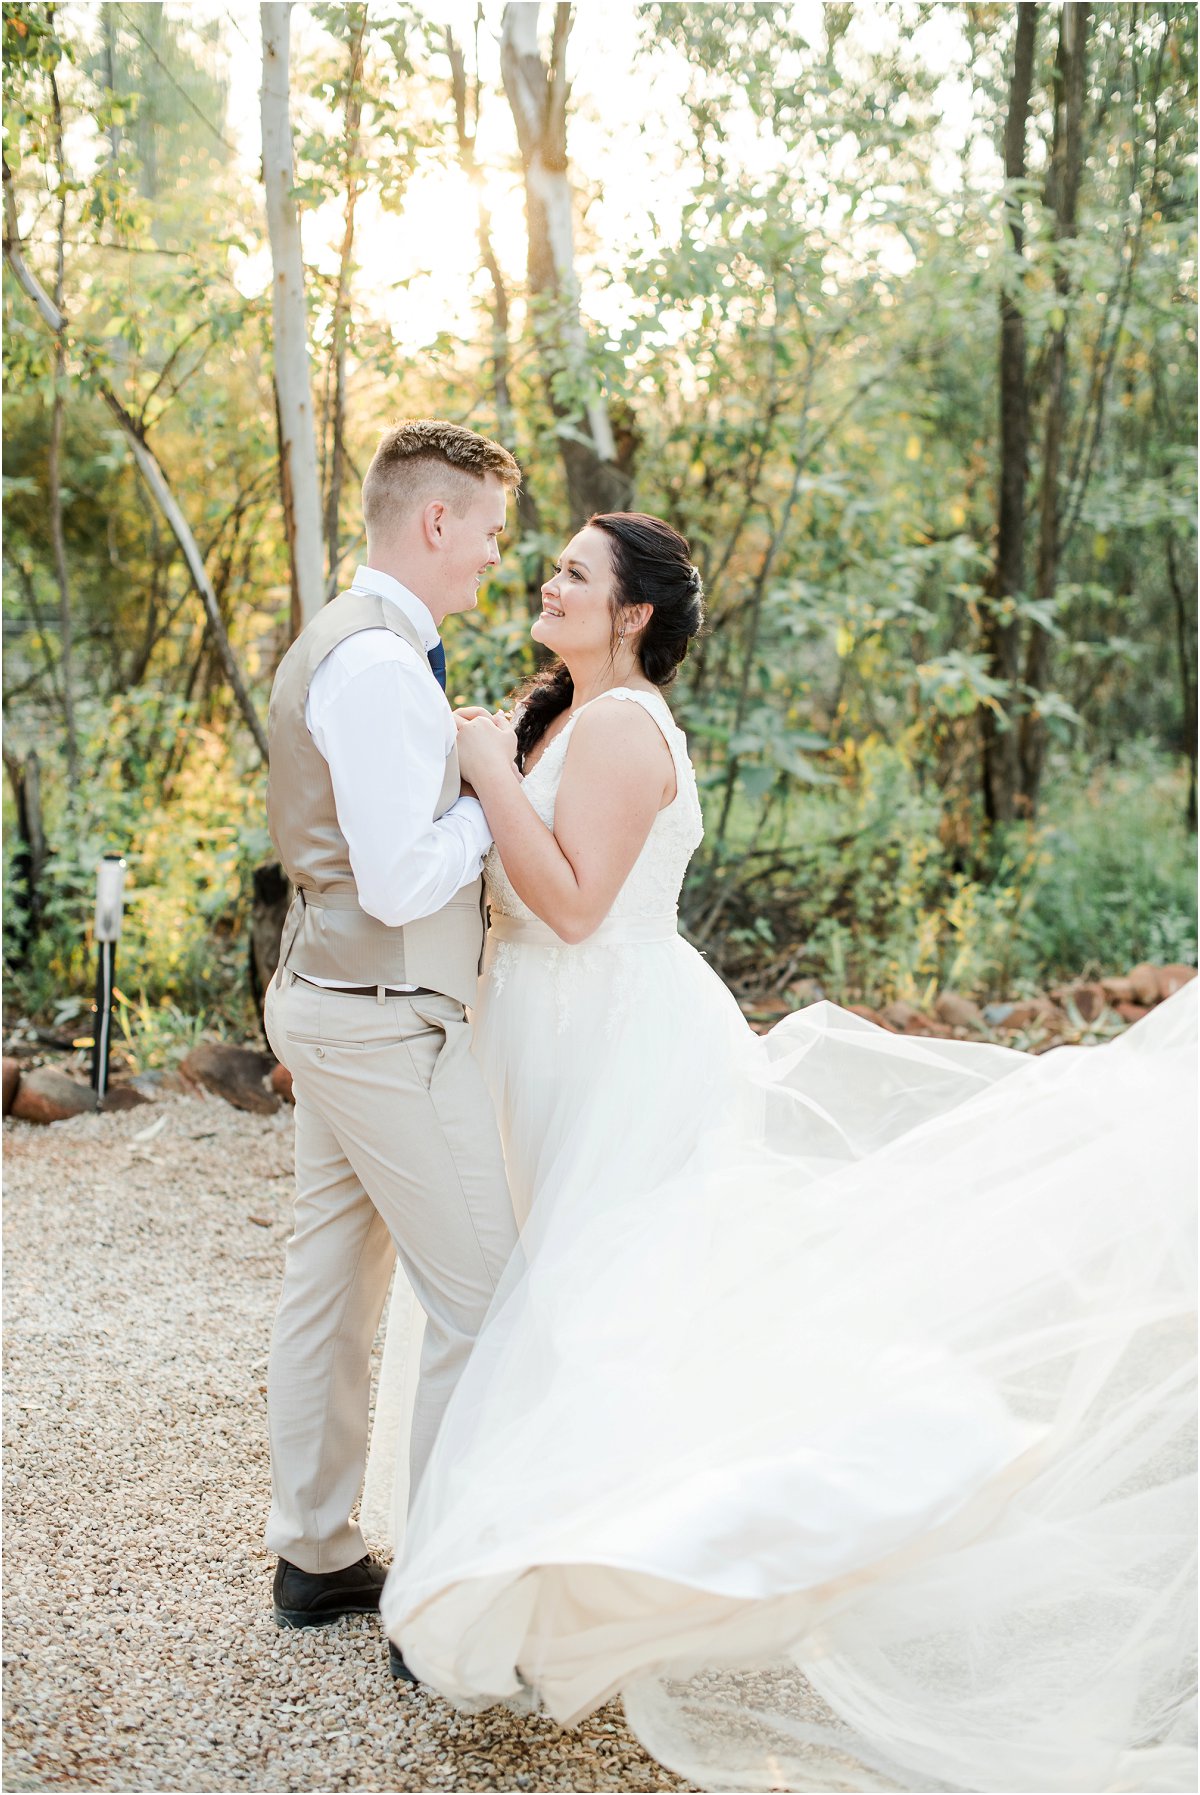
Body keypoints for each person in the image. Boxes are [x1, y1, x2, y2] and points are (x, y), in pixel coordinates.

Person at [376, 511, 1196, 1793]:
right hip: (532, 1033)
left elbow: (577, 907)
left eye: (577, 572)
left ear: (633, 613)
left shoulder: (623, 725)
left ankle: (593, 1572)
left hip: (604, 1040)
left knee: (593, 1307)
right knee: (546, 1301)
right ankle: (532, 1572)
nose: (550, 578)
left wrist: (485, 770)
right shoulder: (570, 713)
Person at [262, 420, 521, 1657]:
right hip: (378, 1018)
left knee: (333, 1283)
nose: (496, 556)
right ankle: (444, 1600)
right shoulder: (375, 666)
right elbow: (402, 875)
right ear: (435, 521)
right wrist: (488, 790)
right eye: (490, 531)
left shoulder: (358, 641)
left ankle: (317, 1552)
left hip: (336, 999)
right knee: (485, 1301)